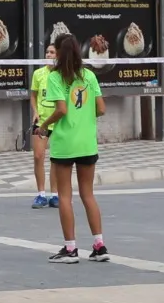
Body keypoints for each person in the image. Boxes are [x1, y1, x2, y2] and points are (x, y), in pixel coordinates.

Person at [40, 32, 107, 262]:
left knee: (65, 196)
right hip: (87, 142)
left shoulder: (55, 77)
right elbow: (101, 108)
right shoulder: (88, 75)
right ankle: (99, 246)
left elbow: (61, 110)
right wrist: (86, 117)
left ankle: (70, 249)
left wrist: (43, 126)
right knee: (88, 194)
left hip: (65, 144)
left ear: (57, 53)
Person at [28, 37, 61, 209]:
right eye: (47, 52)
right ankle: (41, 194)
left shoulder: (62, 74)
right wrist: (35, 111)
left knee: (55, 159)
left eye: (52, 52)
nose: (48, 55)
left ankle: (55, 194)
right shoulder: (38, 74)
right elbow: (33, 94)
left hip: (58, 122)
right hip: (41, 121)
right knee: (38, 156)